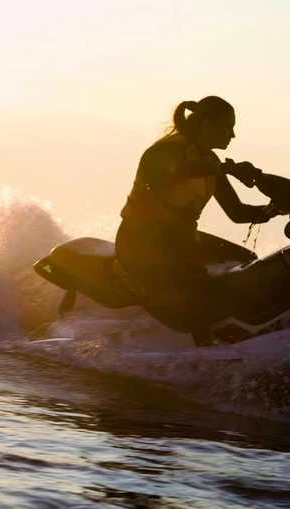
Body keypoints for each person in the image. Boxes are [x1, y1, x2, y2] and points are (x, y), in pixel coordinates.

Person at [115, 95, 277, 344]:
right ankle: (205, 352)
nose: (232, 135)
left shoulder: (211, 162)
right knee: (199, 285)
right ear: (208, 125)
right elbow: (178, 173)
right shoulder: (165, 151)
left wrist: (278, 209)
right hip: (141, 242)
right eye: (228, 127)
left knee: (248, 264)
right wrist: (227, 169)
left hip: (180, 240)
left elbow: (237, 212)